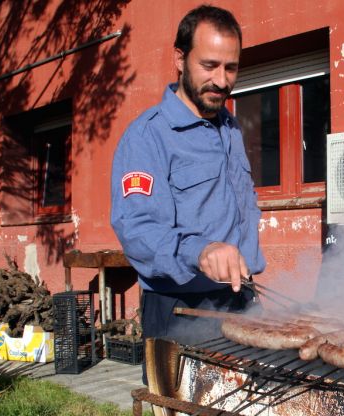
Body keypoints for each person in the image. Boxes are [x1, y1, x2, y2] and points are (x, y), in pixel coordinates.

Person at [110, 5, 265, 354]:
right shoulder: (148, 136)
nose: (222, 81)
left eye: (231, 68)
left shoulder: (230, 128)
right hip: (180, 308)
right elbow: (136, 227)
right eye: (209, 66)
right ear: (180, 59)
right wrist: (201, 250)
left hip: (241, 298)